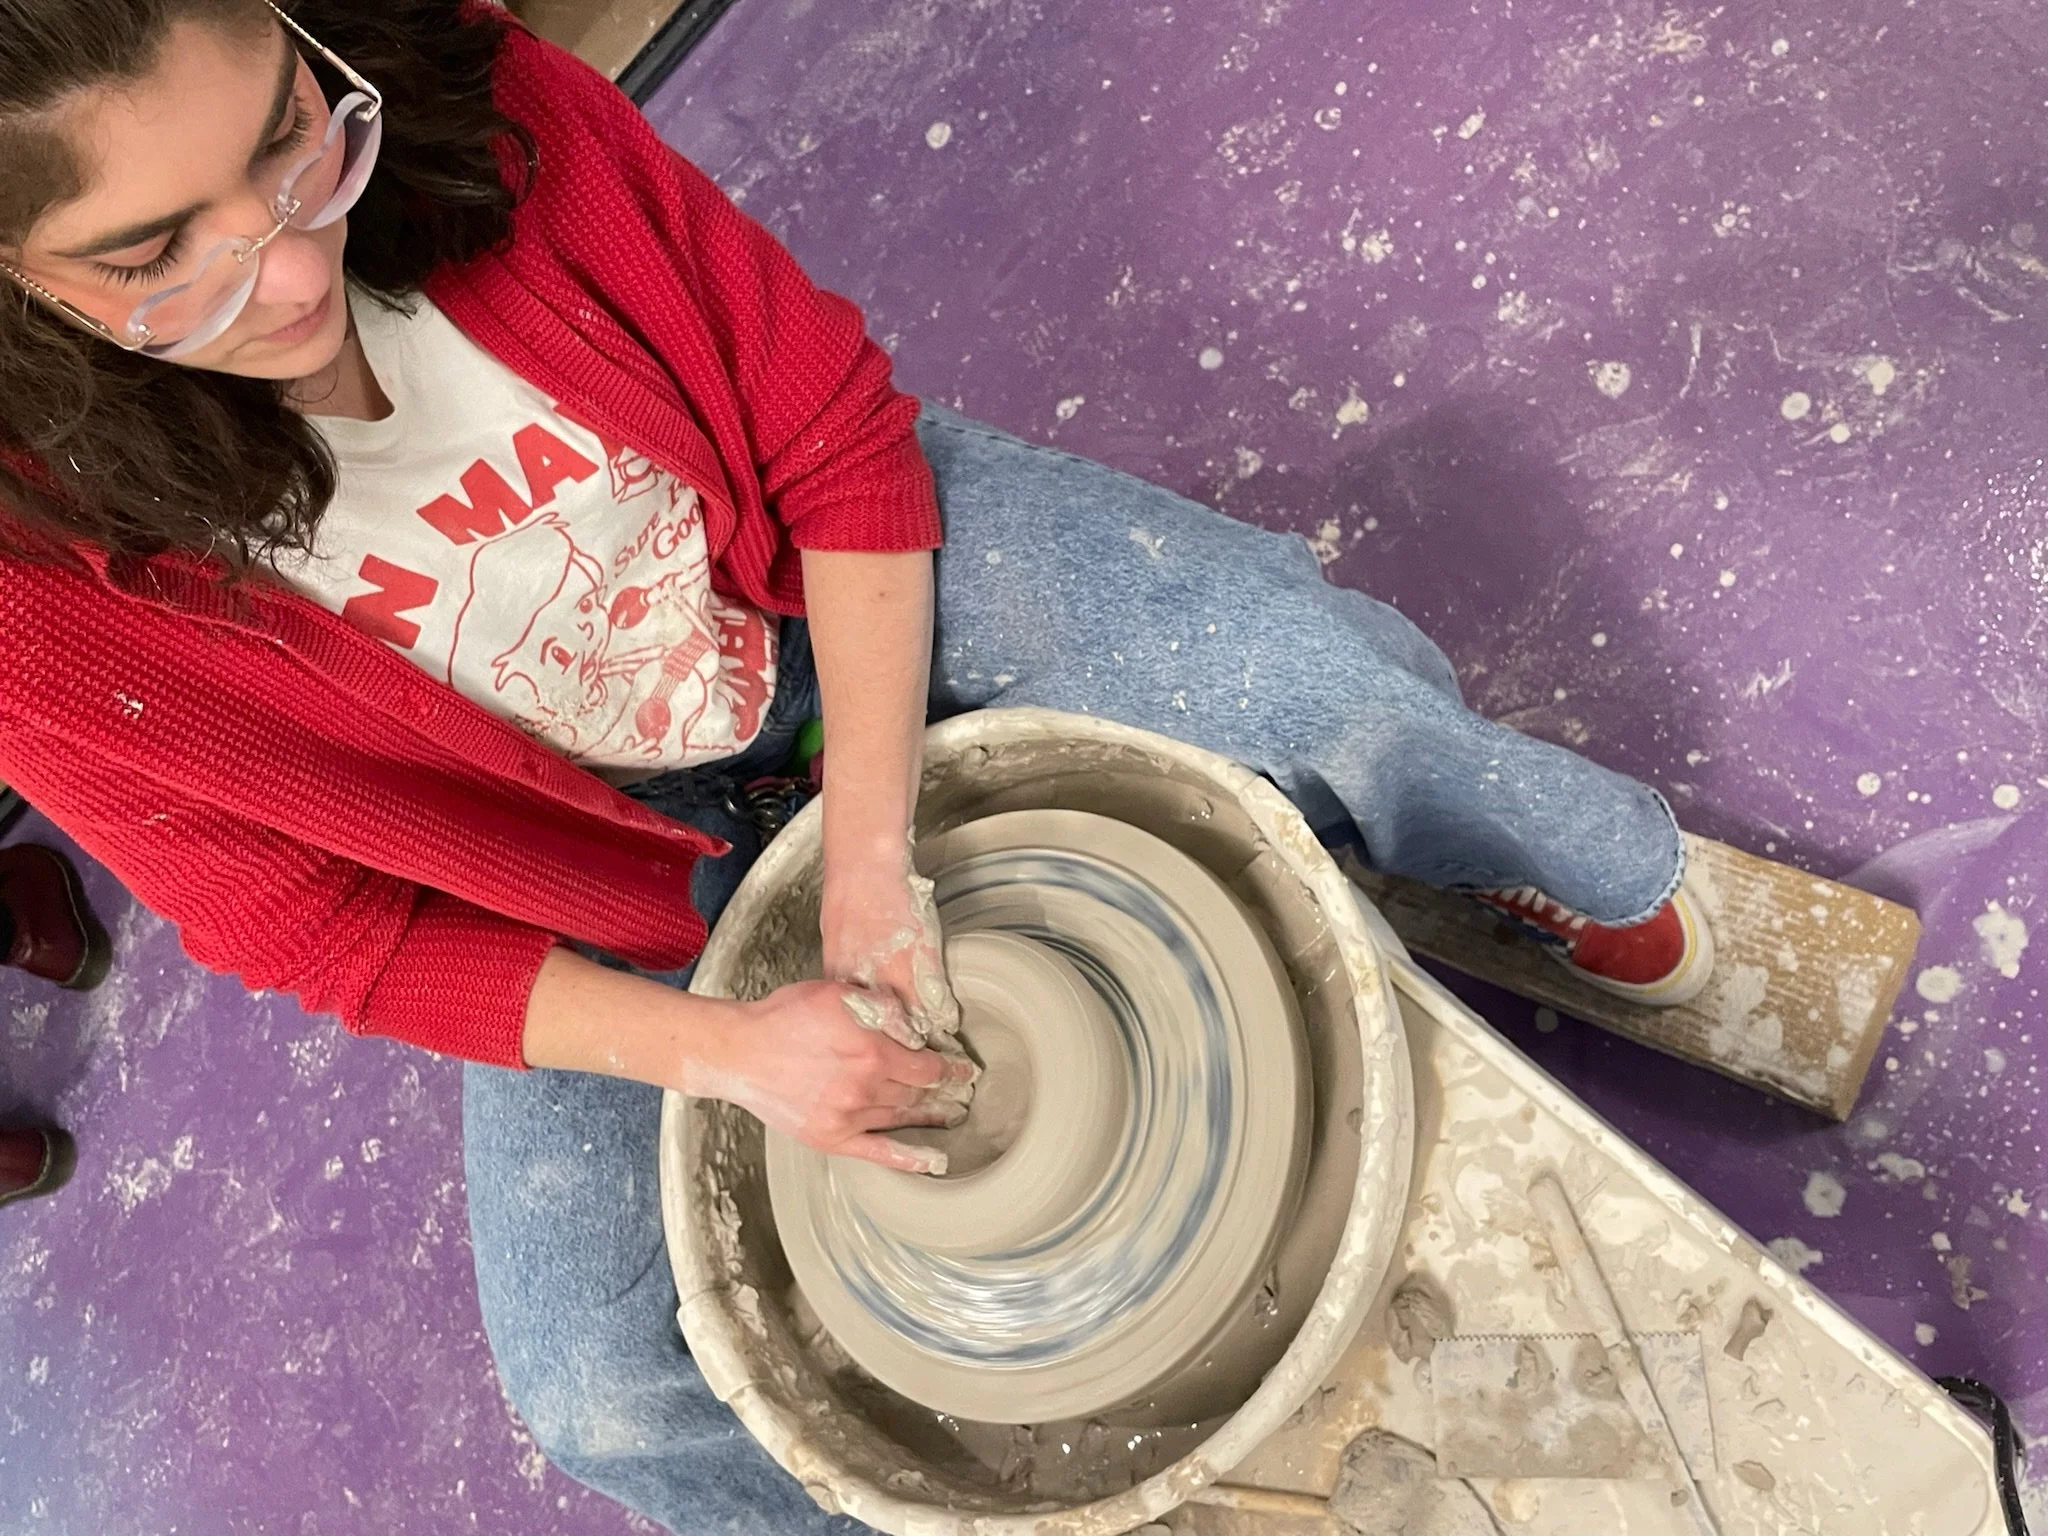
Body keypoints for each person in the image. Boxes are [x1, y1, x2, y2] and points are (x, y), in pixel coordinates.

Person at [0, 1, 1713, 1528]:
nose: (292, 267)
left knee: (1314, 688)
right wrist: (726, 1050)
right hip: (570, 854)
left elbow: (826, 430)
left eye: (290, 138)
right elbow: (326, 932)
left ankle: (1535, 876)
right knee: (608, 1394)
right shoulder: (34, 597)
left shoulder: (467, 99)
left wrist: (877, 842)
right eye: (157, 253)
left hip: (802, 579)